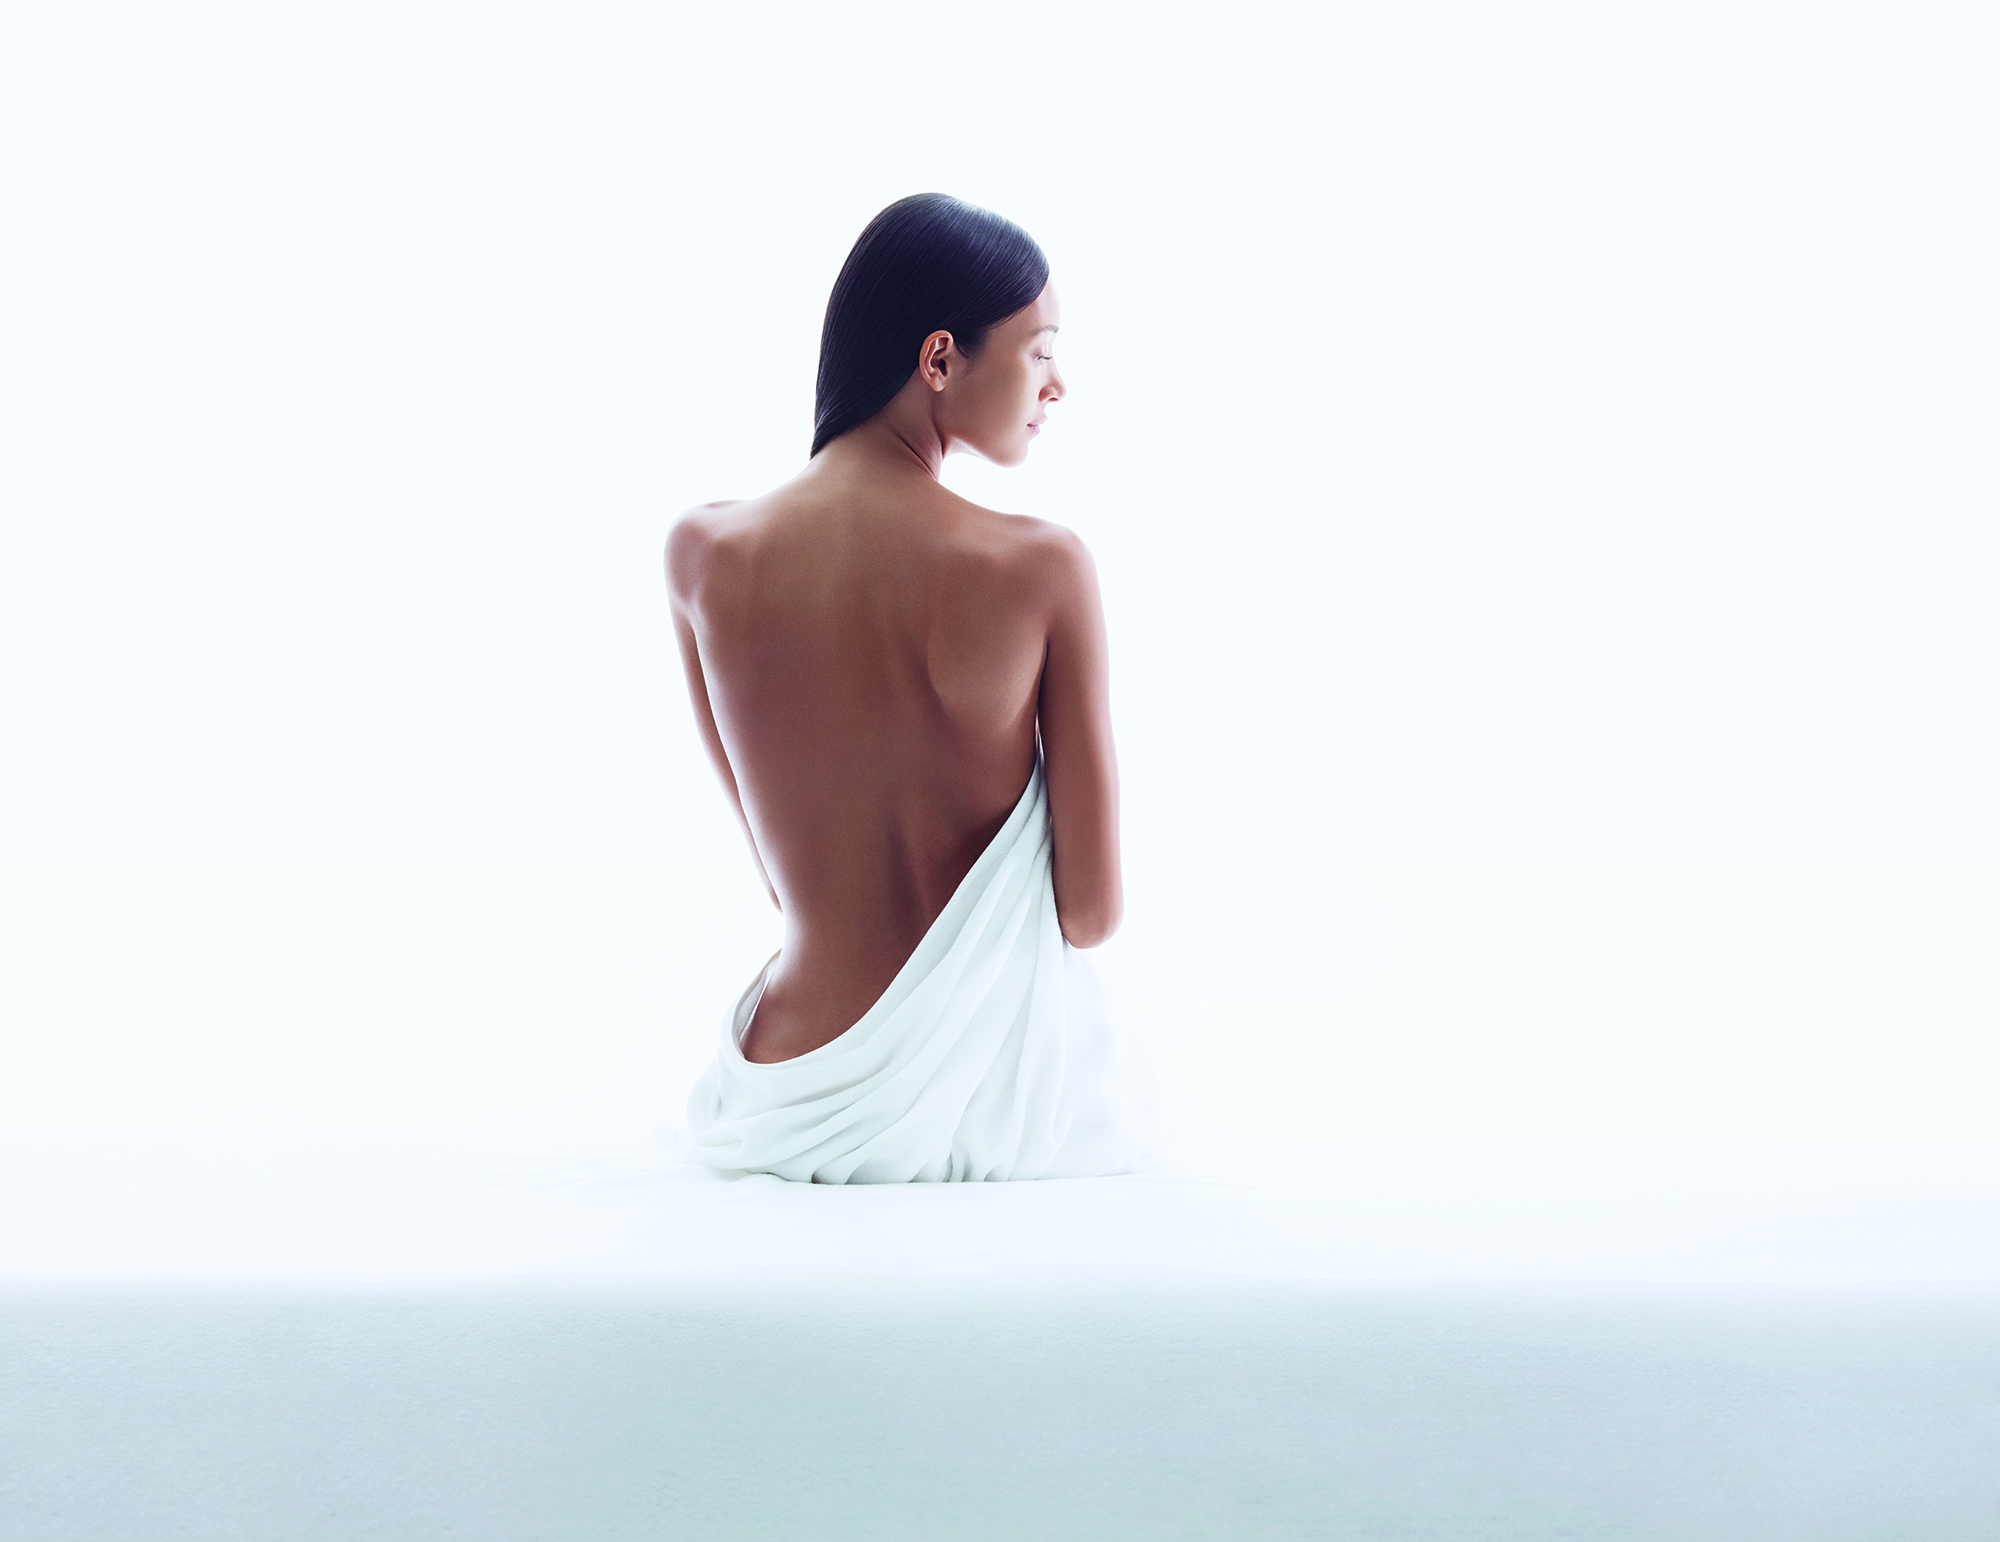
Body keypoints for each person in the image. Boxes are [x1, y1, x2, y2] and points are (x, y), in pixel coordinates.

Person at [667, 194, 1163, 1182]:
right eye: (1039, 350)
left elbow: (782, 878)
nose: (1056, 385)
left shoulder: (703, 555)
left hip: (782, 1092)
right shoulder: (1040, 568)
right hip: (995, 1098)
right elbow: (1088, 914)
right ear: (938, 360)